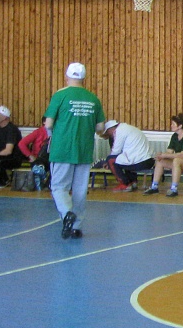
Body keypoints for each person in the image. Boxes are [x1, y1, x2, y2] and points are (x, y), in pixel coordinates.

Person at [44, 62, 105, 239]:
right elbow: (100, 127)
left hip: (62, 149)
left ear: (66, 76)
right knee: (79, 190)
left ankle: (67, 213)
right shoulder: (93, 98)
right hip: (84, 149)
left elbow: (48, 123)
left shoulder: (60, 95)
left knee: (59, 187)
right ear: (84, 78)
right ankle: (76, 227)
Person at [143, 113, 183, 197]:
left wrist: (164, 155)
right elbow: (169, 152)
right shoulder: (174, 136)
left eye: (173, 124)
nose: (171, 125)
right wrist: (161, 155)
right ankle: (154, 187)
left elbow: (182, 155)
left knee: (177, 161)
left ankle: (174, 189)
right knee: (161, 161)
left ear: (180, 126)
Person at [101, 119, 154, 191]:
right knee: (124, 158)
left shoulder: (119, 131)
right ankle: (133, 182)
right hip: (149, 160)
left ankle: (125, 184)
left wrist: (107, 164)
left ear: (110, 129)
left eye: (108, 133)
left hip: (141, 162)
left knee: (110, 160)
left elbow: (116, 151)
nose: (109, 135)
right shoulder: (128, 128)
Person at [0, 106, 23, 188]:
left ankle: (5, 180)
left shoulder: (11, 130)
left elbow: (8, 151)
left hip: (13, 158)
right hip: (0, 156)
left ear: (4, 118)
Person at [18, 121, 51, 188]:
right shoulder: (38, 132)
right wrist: (30, 155)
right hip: (38, 160)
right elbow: (21, 144)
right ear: (44, 122)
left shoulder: (57, 132)